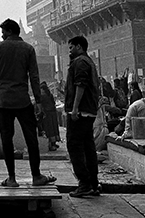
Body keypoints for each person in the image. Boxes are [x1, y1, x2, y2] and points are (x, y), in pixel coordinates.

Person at [0, 18, 54, 188]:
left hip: (3, 101)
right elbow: (34, 76)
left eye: (3, 32)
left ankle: (11, 178)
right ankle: (36, 176)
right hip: (22, 100)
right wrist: (38, 100)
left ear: (10, 31)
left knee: (6, 139)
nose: (2, 35)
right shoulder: (28, 49)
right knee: (31, 138)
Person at [65, 34, 100, 197]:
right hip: (89, 111)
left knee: (74, 146)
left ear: (79, 47)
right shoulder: (88, 61)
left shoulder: (80, 62)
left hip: (80, 111)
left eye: (71, 47)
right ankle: (93, 183)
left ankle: (84, 183)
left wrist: (74, 108)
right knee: (88, 147)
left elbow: (81, 85)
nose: (69, 51)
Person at [38, 81, 60, 150]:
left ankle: (51, 145)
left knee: (49, 129)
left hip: (47, 114)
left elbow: (39, 103)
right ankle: (54, 143)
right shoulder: (49, 95)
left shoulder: (43, 96)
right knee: (53, 128)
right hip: (52, 113)